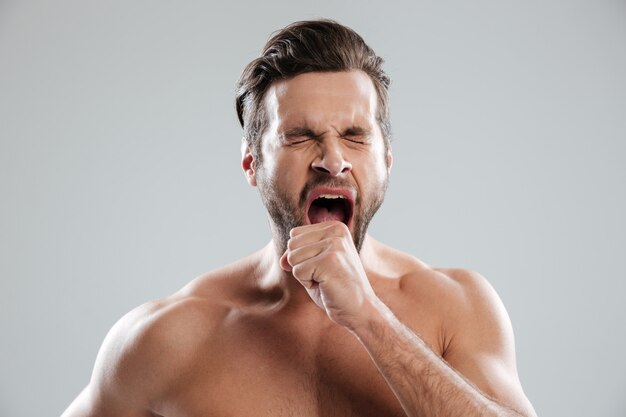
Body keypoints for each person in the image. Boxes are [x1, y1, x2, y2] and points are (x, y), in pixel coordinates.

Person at [62, 19, 537, 417]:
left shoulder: (457, 309)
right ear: (252, 164)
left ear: (387, 159)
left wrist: (371, 320)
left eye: (354, 135)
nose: (332, 159)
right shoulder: (167, 338)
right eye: (300, 136)